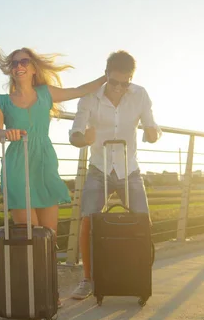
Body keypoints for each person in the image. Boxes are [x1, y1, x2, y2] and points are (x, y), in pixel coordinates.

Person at [0, 46, 106, 307]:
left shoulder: (46, 93)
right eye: (14, 63)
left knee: (49, 236)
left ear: (33, 68)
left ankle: (48, 292)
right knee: (29, 234)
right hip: (18, 163)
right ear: (11, 69)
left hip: (44, 161)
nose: (19, 66)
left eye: (24, 61)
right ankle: (33, 294)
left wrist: (105, 77)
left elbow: (79, 91)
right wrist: (5, 134)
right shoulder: (1, 101)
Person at [68, 50, 161, 300]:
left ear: (131, 78)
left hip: (129, 168)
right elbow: (74, 134)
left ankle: (138, 275)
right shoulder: (89, 98)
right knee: (89, 220)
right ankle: (87, 280)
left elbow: (152, 127)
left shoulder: (140, 94)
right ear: (106, 74)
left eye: (125, 82)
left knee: (143, 220)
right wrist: (82, 140)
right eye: (114, 81)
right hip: (99, 167)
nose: (119, 87)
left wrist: (153, 134)